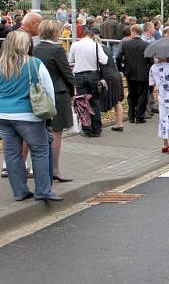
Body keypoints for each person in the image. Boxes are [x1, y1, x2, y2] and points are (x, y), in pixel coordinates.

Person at [0, 31, 62, 201]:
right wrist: (50, 114)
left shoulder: (1, 64)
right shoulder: (35, 64)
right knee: (40, 151)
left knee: (12, 154)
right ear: (25, 45)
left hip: (4, 116)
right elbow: (49, 90)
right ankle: (43, 190)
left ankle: (20, 192)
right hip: (29, 116)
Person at [32, 20, 76, 183]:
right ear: (56, 33)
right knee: (56, 133)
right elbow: (67, 73)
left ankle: (41, 169)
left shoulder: (35, 49)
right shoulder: (57, 49)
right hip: (58, 94)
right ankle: (54, 169)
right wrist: (73, 92)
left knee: (40, 133)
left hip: (39, 95)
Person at [68, 27, 107, 138]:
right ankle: (97, 129)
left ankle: (87, 130)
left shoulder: (75, 45)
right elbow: (104, 60)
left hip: (79, 76)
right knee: (95, 101)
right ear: (93, 36)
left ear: (82, 35)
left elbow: (71, 60)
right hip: (93, 75)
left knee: (82, 103)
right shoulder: (96, 45)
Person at [117, 24, 151, 124]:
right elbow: (150, 60)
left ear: (133, 32)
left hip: (129, 72)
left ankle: (131, 116)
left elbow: (118, 57)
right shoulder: (146, 45)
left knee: (131, 94)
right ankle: (139, 116)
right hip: (143, 73)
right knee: (142, 95)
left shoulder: (126, 44)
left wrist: (122, 68)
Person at [99, 42, 125, 133]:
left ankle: (98, 125)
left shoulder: (97, 50)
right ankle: (120, 124)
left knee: (98, 100)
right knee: (117, 101)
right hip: (116, 75)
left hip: (107, 77)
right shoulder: (107, 49)